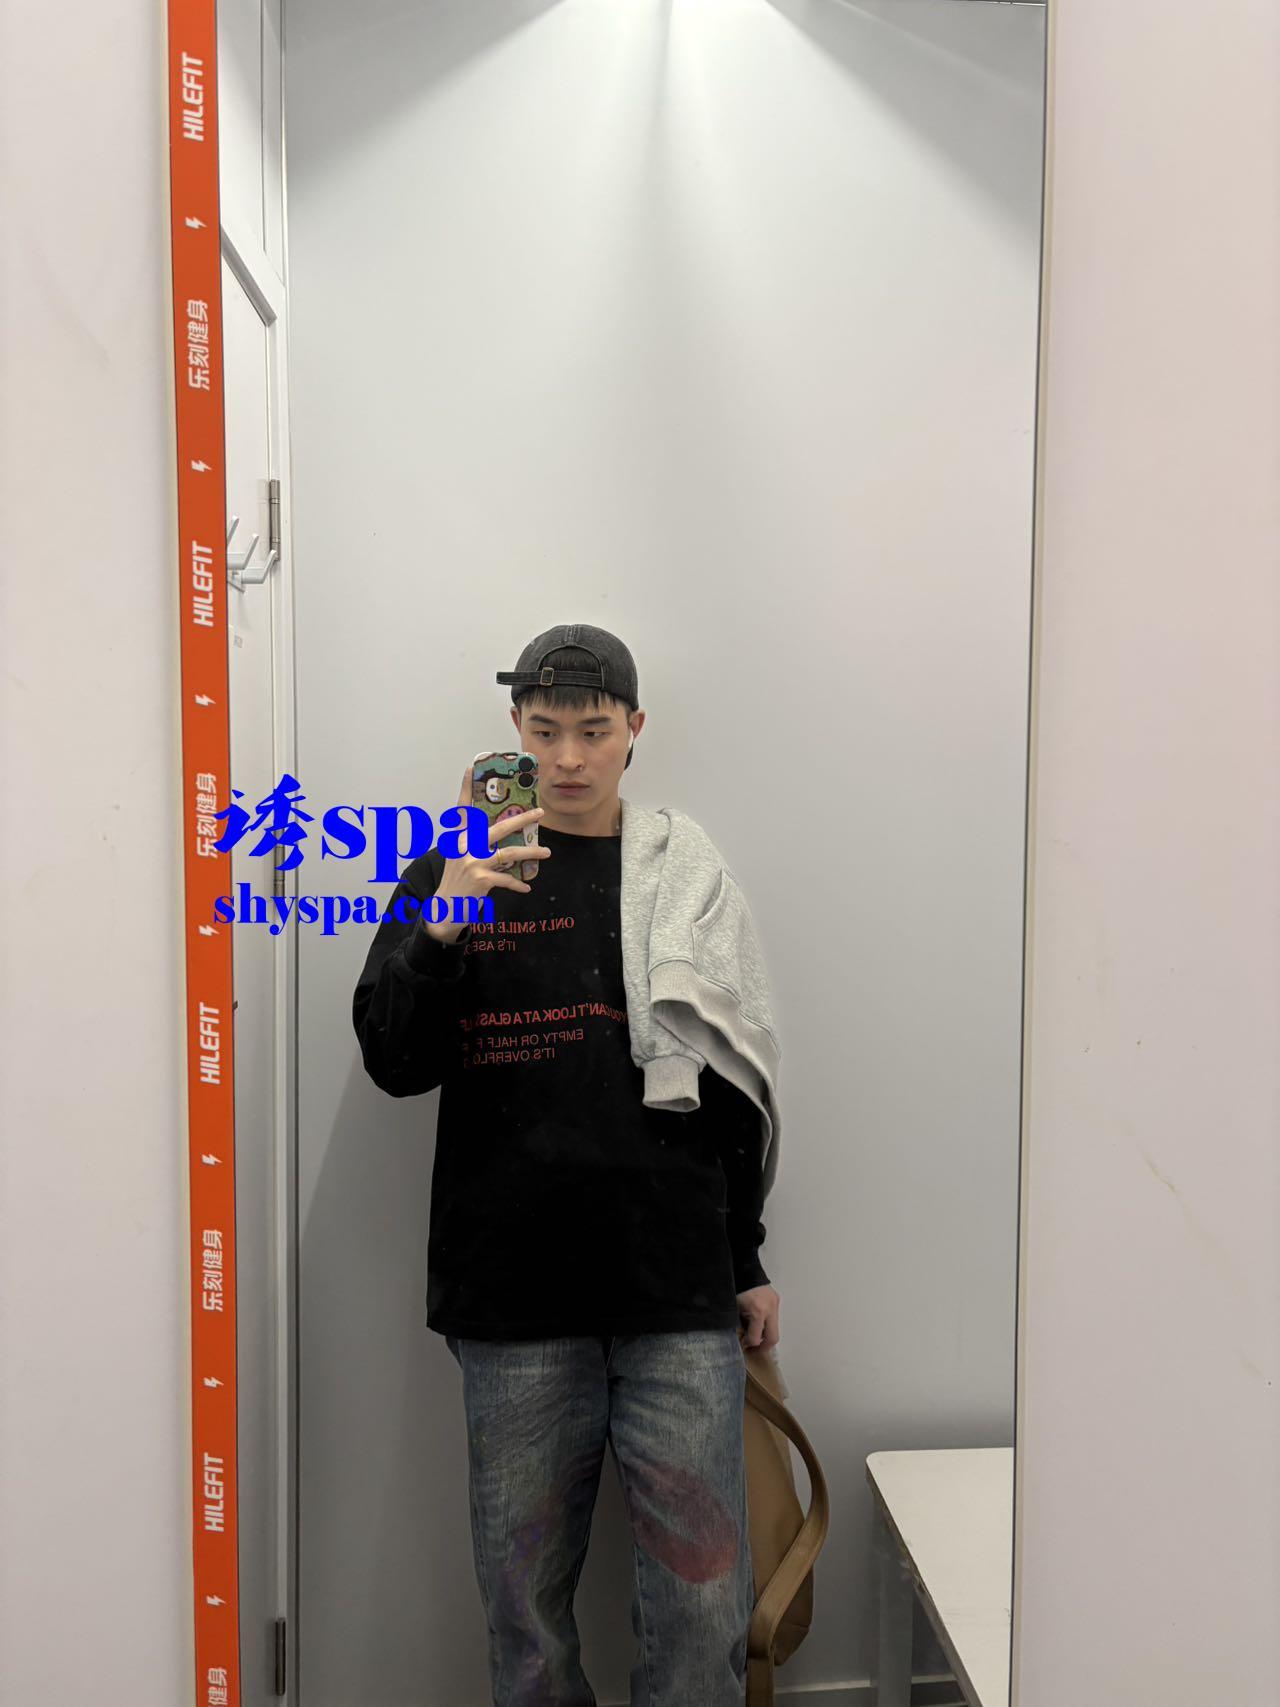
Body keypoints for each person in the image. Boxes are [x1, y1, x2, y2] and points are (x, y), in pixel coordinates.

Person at [352, 623, 781, 1707]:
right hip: (513, 1299)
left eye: (594, 731)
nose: (570, 757)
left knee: (703, 1606)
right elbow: (394, 1062)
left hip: (674, 1290)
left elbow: (730, 1084)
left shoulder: (684, 878)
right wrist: (443, 926)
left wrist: (745, 1260)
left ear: (635, 729)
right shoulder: (449, 871)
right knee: (526, 1617)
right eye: (545, 731)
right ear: (513, 729)